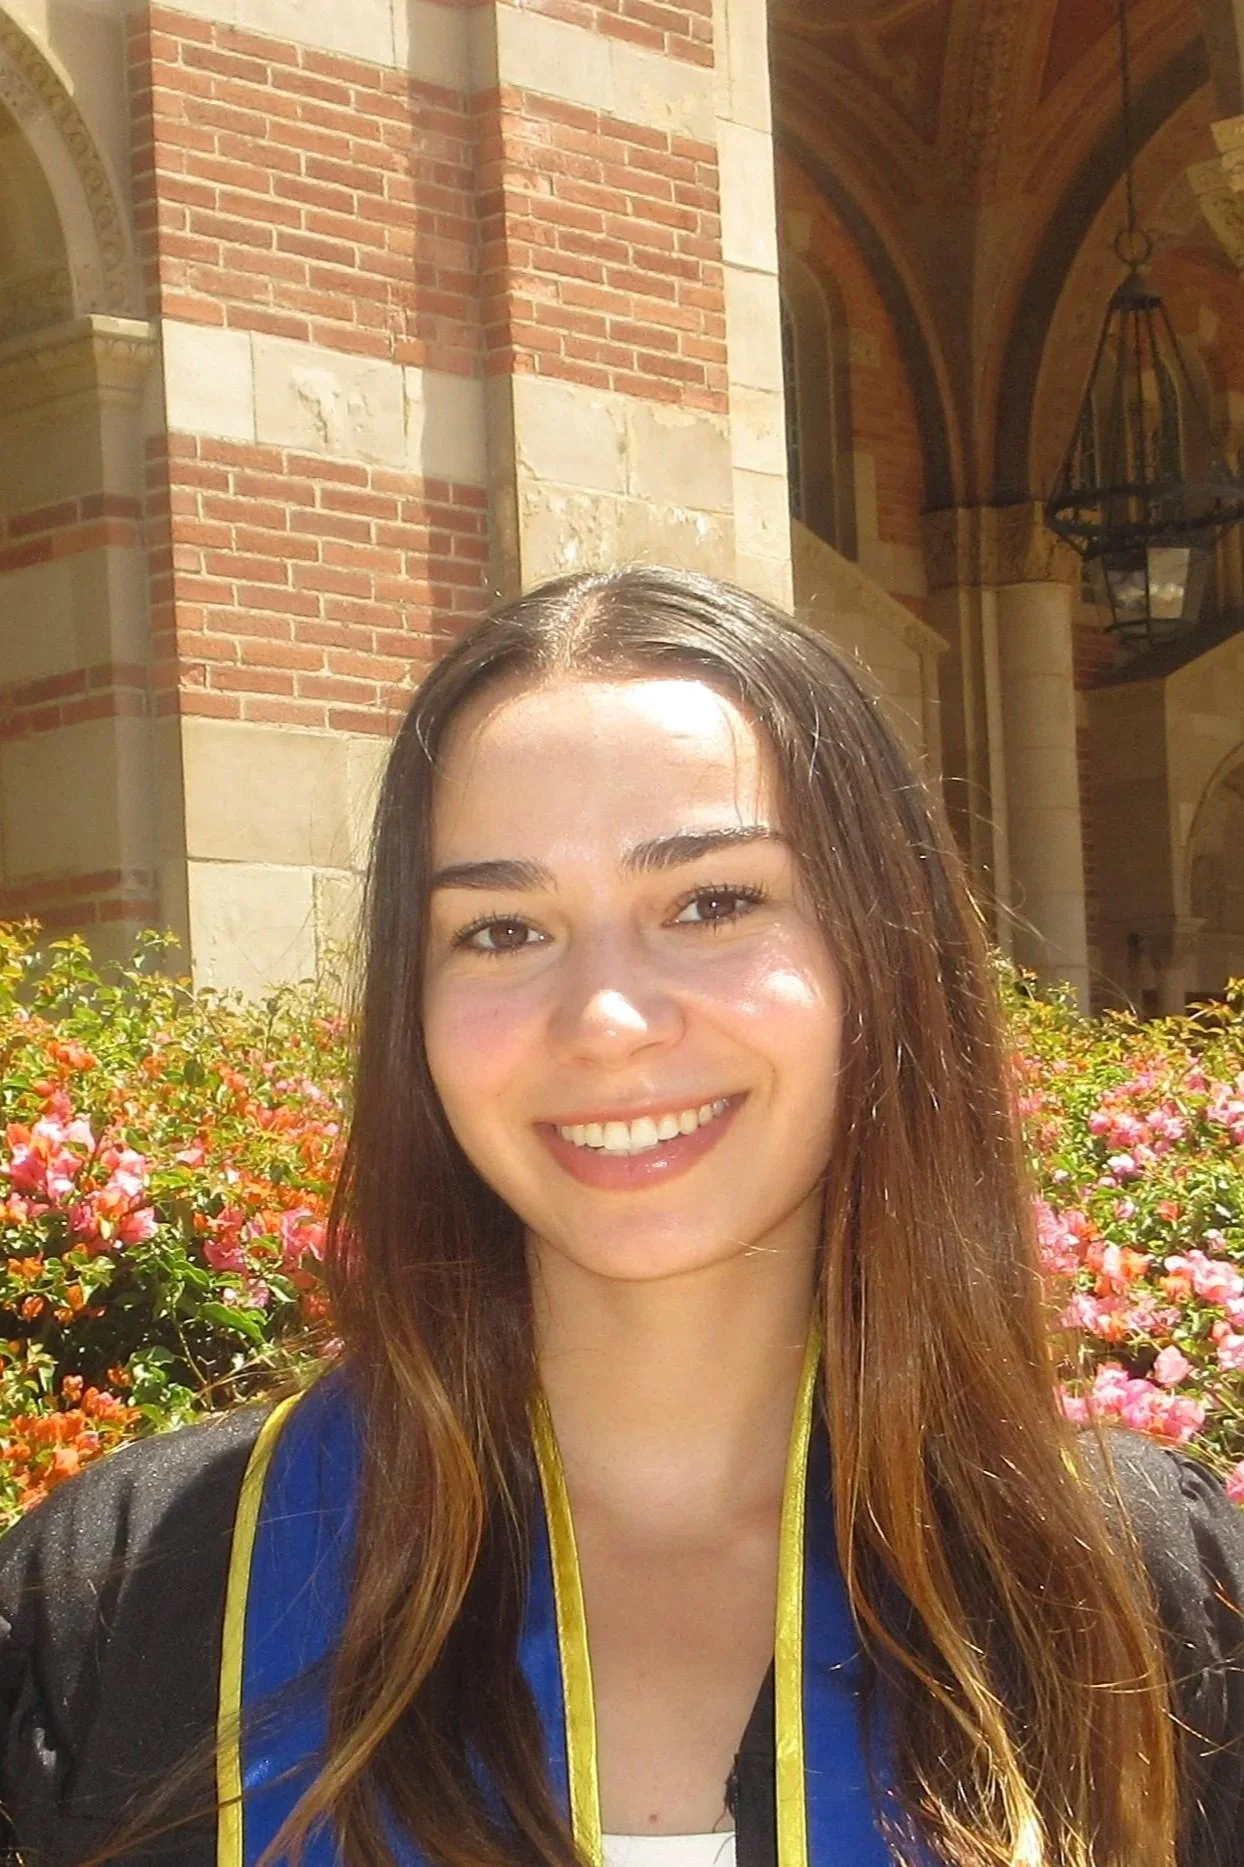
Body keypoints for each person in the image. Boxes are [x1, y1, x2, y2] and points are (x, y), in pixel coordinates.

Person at [2, 565, 1243, 1867]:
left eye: (713, 902)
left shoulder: (1128, 1594)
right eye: (501, 929)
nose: (604, 1019)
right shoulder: (137, 1601)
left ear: (881, 955)